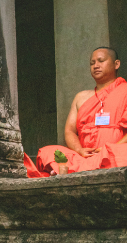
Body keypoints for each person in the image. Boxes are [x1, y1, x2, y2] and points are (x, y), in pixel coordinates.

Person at [30, 48, 127, 176]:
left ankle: (74, 169)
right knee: (48, 152)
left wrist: (108, 150)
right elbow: (69, 131)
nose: (96, 66)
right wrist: (79, 150)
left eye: (101, 61)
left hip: (113, 153)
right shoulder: (81, 97)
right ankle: (83, 166)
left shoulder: (124, 91)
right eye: (92, 63)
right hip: (84, 156)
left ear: (116, 64)